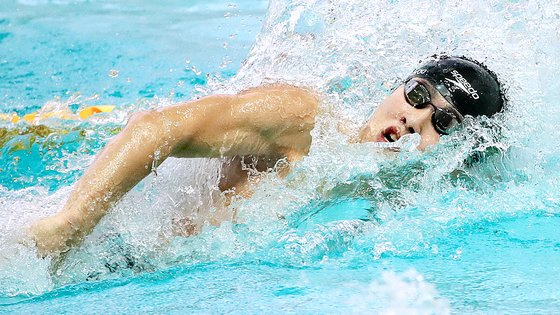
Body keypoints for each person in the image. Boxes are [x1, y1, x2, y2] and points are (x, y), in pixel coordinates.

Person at [28, 55, 505, 257]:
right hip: (104, 257)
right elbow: (156, 127)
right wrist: (70, 225)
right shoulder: (305, 122)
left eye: (443, 124)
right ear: (394, 86)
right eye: (418, 96)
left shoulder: (407, 196)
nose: (414, 121)